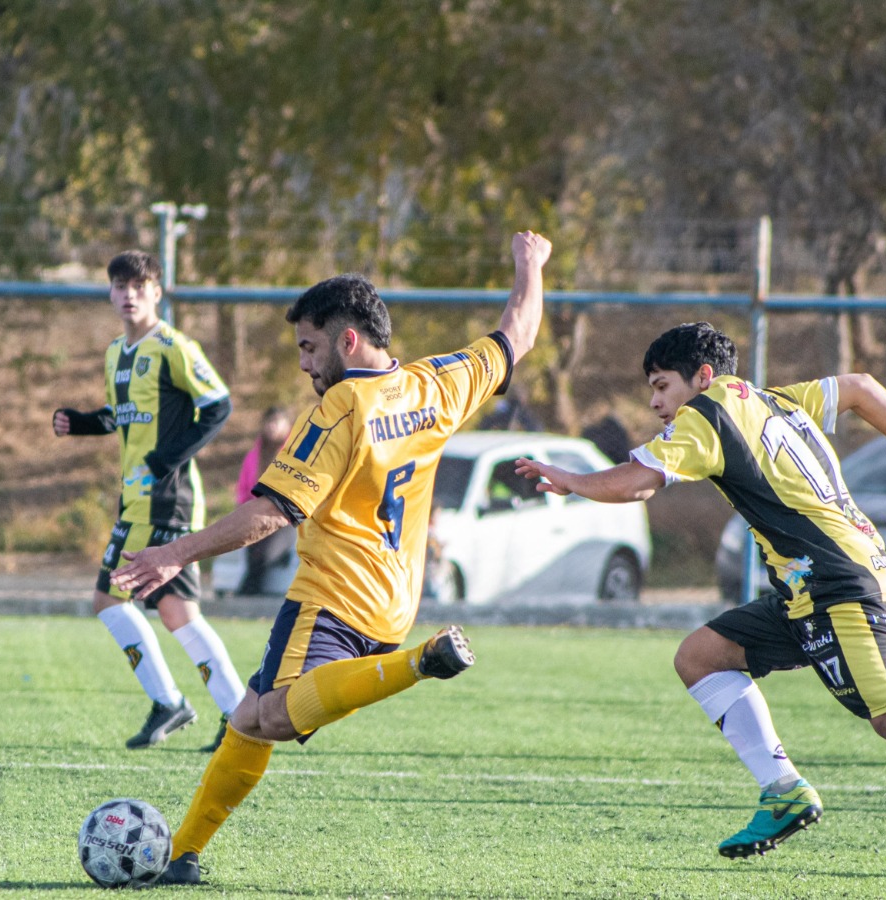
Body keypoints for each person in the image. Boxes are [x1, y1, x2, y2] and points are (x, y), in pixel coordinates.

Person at [514, 322, 886, 900]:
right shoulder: (778, 400)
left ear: (704, 377)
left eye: (663, 385)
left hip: (836, 582)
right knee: (702, 657)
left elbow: (637, 484)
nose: (655, 401)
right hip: (812, 587)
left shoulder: (708, 414)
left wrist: (567, 479)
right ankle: (783, 789)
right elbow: (863, 387)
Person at [111, 230, 553, 886]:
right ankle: (182, 854)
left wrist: (176, 551)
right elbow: (517, 333)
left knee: (272, 716)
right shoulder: (436, 384)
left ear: (349, 341)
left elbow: (271, 513)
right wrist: (530, 265)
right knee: (246, 720)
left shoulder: (343, 407)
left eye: (309, 347)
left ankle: (419, 666)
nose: (303, 365)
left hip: (330, 600)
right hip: (393, 604)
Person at [52, 250, 244, 753]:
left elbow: (218, 404)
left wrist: (167, 460)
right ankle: (230, 712)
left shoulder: (174, 346)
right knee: (177, 611)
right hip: (137, 500)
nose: (128, 293)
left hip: (168, 500)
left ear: (157, 292)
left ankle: (181, 704)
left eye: (139, 285)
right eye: (119, 285)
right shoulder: (117, 351)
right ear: (110, 293)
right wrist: (81, 422)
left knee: (110, 599)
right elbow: (122, 417)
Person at [235, 407, 297, 595]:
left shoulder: (293, 453)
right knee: (251, 544)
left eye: (278, 422)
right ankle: (248, 594)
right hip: (257, 513)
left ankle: (247, 593)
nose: (273, 427)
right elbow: (244, 488)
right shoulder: (254, 455)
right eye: (270, 422)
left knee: (265, 552)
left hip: (285, 518)